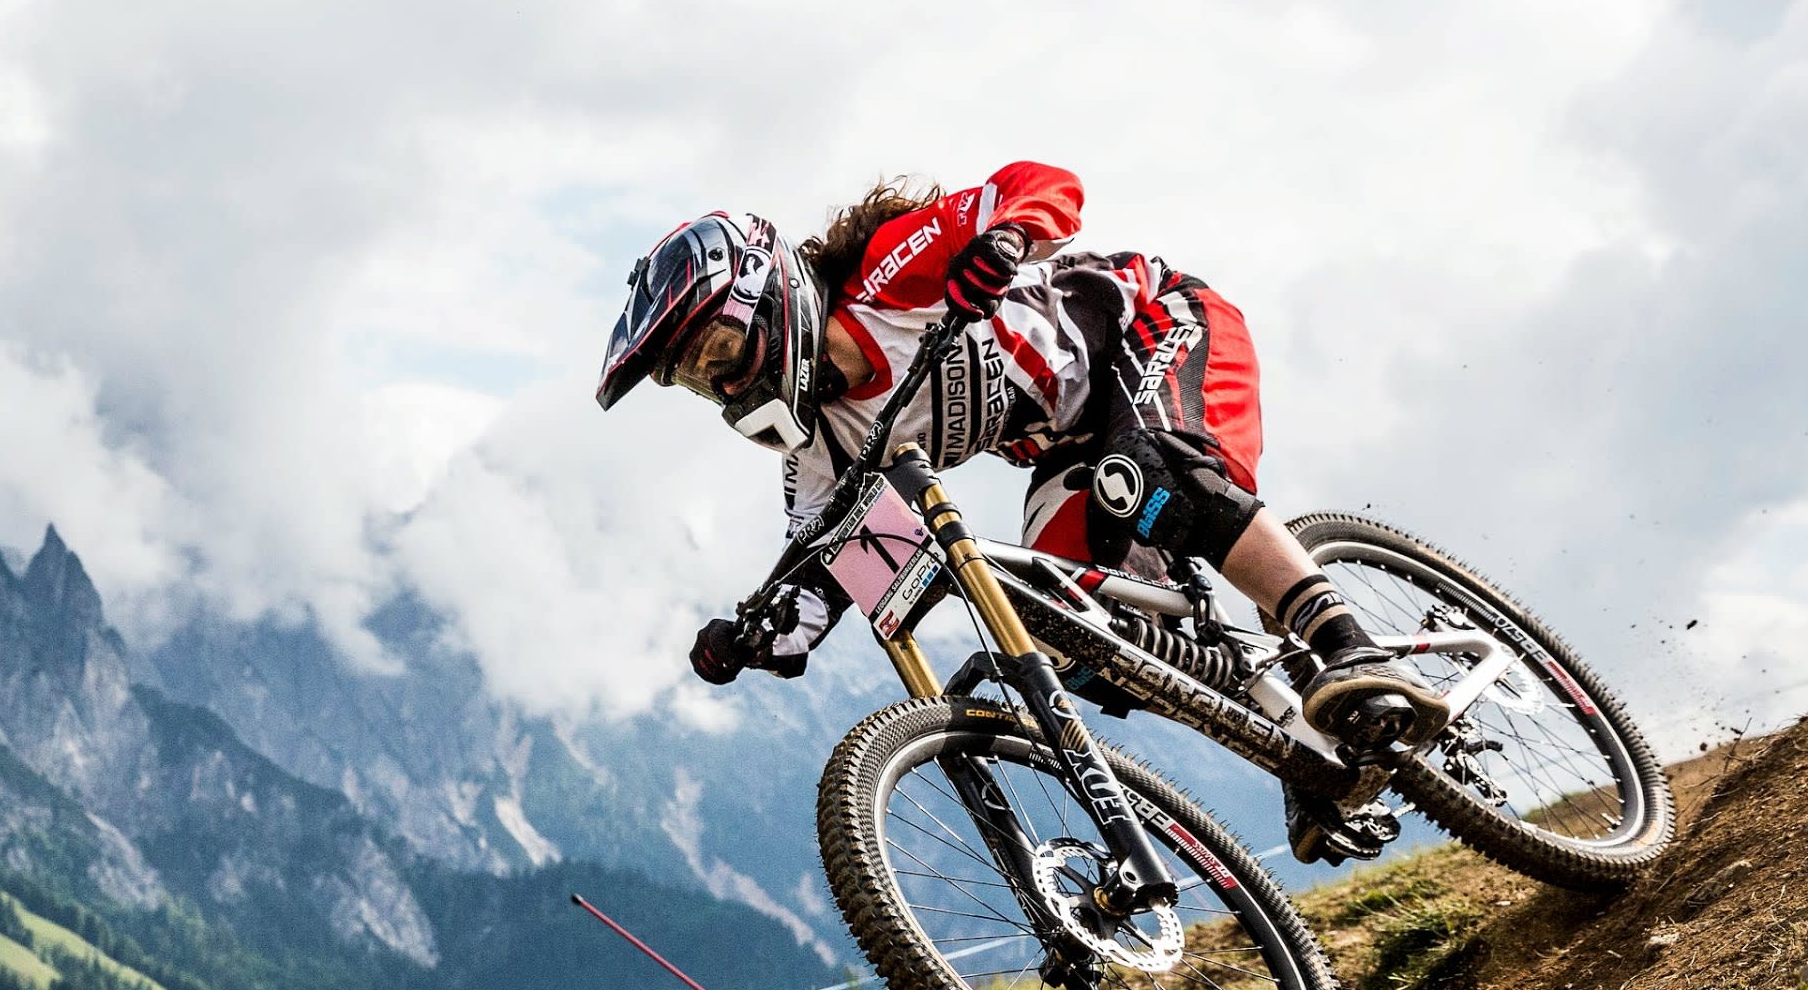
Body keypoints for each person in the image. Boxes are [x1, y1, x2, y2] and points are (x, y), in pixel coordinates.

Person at [595, 163, 1435, 865]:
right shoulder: (820, 450)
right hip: (1066, 450)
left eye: (719, 352)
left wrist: (999, 241)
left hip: (1156, 324)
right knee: (1079, 636)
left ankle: (1345, 647)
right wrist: (766, 635)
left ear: (770, 295)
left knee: (1147, 478)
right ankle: (1295, 738)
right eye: (699, 378)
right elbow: (834, 562)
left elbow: (1046, 186)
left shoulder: (890, 274)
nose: (725, 384)